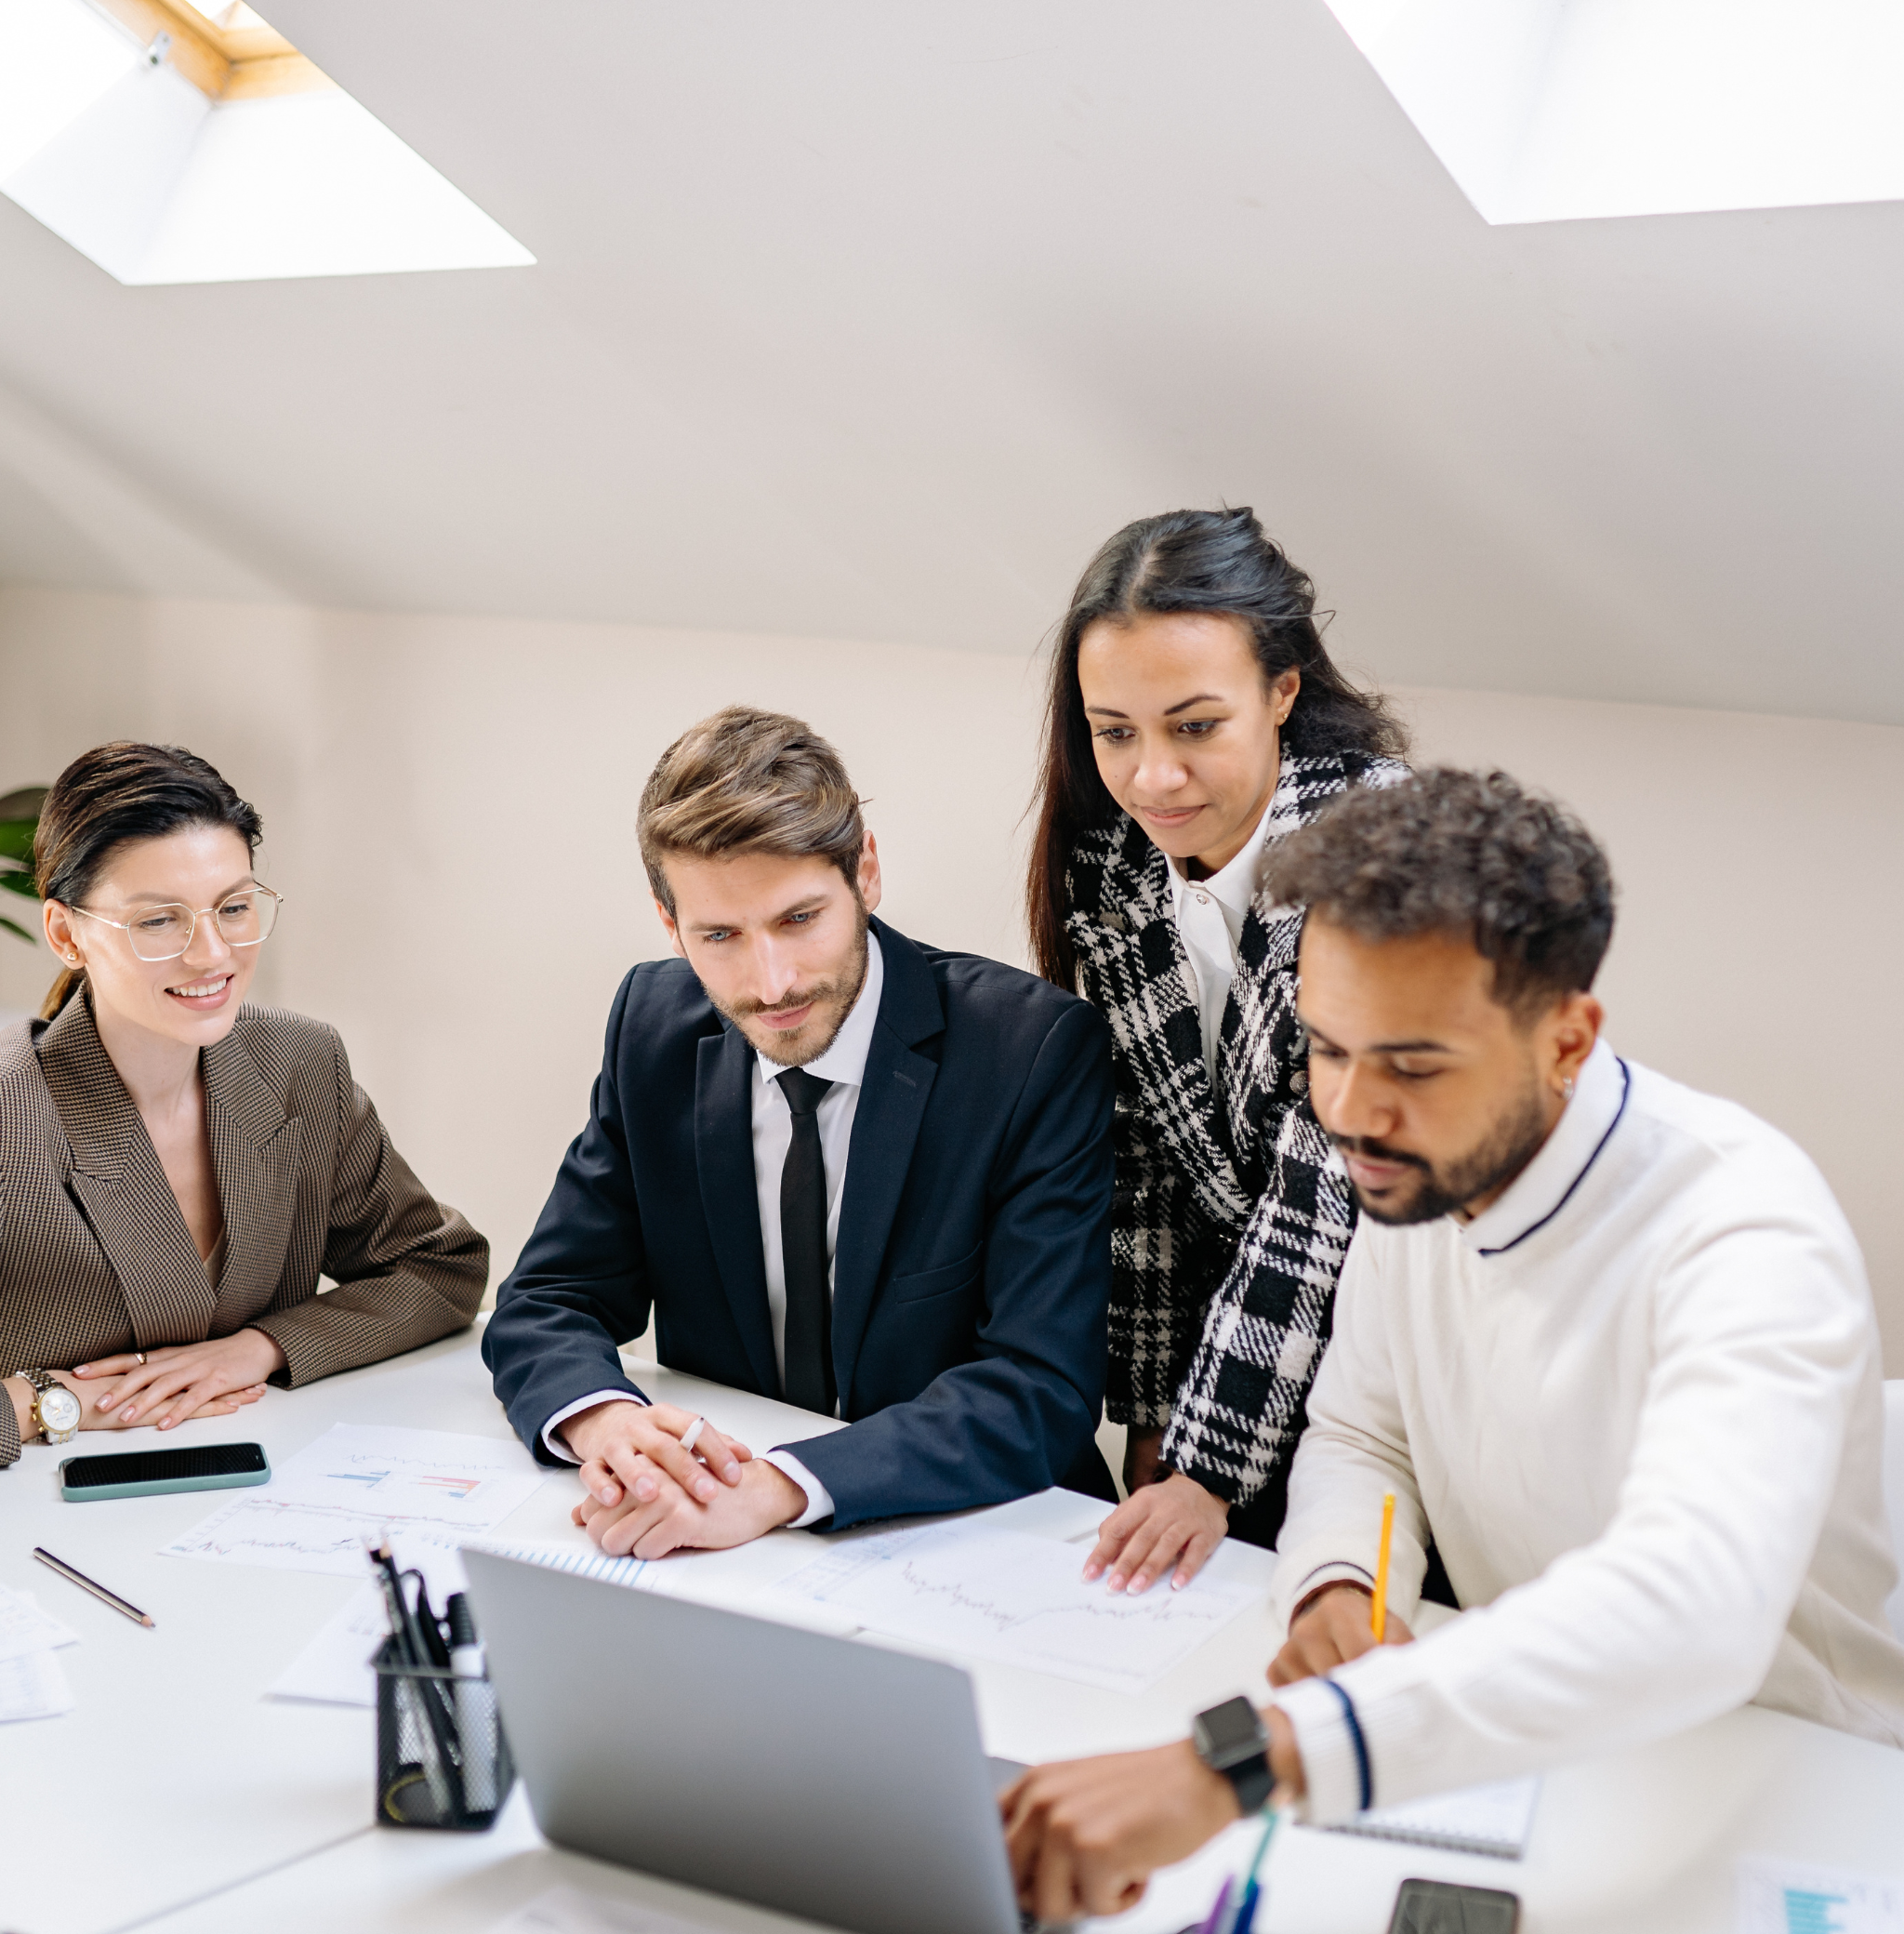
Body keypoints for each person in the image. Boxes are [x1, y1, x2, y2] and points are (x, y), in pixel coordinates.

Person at [1003, 768, 1904, 1923]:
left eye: (1412, 1065)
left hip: (1789, 1791)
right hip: (1535, 1757)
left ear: (1566, 1039)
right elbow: (1361, 1428)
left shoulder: (1743, 1230)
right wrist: (1345, 1576)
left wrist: (1243, 1758)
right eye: (1326, 1049)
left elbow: (1692, 1606)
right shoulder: (1417, 1169)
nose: (1349, 1111)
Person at [483, 706, 1116, 1552]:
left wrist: (778, 1487)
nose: (770, 981)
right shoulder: (652, 1028)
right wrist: (607, 1426)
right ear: (670, 925)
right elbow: (547, 1299)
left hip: (974, 1539)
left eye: (798, 919)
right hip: (724, 1556)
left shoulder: (1028, 1051)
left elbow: (1042, 1389)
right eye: (720, 936)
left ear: (867, 872)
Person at [1025, 505, 1408, 1593]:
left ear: (1281, 690)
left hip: (1384, 1352)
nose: (1152, 777)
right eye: (1115, 732)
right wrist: (1149, 1424)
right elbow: (1147, 1167)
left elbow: (1311, 1196)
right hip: (1226, 1356)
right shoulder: (1111, 865)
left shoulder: (1375, 858)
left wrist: (1206, 1460)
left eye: (1194, 726)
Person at [2, 742, 488, 1470]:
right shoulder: (13, 1111)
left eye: (232, 907)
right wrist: (43, 1405)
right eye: (159, 921)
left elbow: (439, 1267)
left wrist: (261, 1347)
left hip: (256, 1480)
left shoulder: (298, 1065)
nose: (213, 955)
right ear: (67, 934)